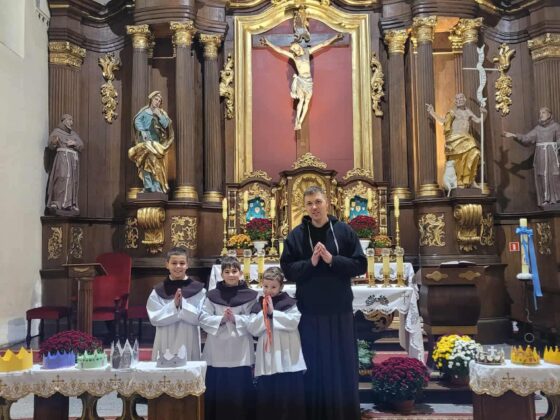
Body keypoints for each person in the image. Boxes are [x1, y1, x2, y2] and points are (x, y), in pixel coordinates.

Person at [280, 185, 366, 420]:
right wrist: (311, 262)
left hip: (339, 309)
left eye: (318, 202)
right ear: (304, 207)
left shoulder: (344, 231)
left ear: (327, 203)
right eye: (309, 203)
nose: (314, 207)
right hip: (310, 310)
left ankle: (343, 412)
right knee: (314, 362)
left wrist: (331, 259)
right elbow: (287, 270)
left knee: (340, 362)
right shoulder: (297, 235)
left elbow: (360, 265)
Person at [199, 256, 258, 420]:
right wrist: (221, 319)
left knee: (240, 390)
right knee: (218, 387)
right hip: (217, 350)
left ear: (240, 273)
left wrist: (236, 319)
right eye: (227, 271)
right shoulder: (212, 296)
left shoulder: (251, 296)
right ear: (221, 274)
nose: (231, 275)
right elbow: (203, 318)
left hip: (240, 349)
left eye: (234, 271)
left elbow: (255, 320)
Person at [247, 267, 306, 420]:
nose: (269, 290)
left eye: (273, 287)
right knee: (268, 399)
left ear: (281, 287)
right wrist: (264, 313)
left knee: (288, 396)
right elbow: (252, 328)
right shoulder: (258, 305)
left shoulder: (289, 303)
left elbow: (293, 322)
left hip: (287, 356)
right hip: (268, 358)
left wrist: (274, 313)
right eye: (266, 286)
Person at [260, 34, 343, 131]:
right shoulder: (294, 57)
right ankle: (297, 121)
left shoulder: (308, 52)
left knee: (307, 101)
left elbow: (323, 44)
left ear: (299, 45)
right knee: (301, 100)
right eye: (293, 49)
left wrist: (335, 37)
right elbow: (280, 50)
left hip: (308, 81)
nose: (295, 50)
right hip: (301, 80)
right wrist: (268, 43)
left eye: (295, 47)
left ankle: (300, 122)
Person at [146, 247, 205, 361]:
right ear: (167, 265)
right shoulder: (158, 291)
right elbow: (154, 318)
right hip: (165, 338)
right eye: (174, 263)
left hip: (188, 336)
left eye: (182, 263)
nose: (178, 266)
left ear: (187, 265)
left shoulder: (199, 290)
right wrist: (174, 306)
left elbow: (201, 318)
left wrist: (183, 305)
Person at [426, 93, 486, 188]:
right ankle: (459, 181)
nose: (459, 100)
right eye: (457, 99)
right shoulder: (452, 112)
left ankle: (470, 180)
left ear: (465, 99)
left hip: (467, 139)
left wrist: (484, 113)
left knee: (474, 153)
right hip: (455, 139)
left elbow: (479, 121)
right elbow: (443, 122)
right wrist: (432, 113)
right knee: (458, 160)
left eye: (461, 98)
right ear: (455, 101)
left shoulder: (468, 111)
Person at [503, 107, 560, 207]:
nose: (541, 115)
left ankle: (556, 198)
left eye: (543, 112)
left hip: (552, 155)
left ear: (549, 114)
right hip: (541, 155)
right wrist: (514, 135)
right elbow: (527, 138)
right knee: (542, 175)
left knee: (554, 175)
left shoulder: (556, 126)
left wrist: (556, 145)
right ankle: (545, 199)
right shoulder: (538, 129)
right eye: (540, 113)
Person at [128, 91, 174, 193]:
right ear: (151, 100)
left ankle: (157, 186)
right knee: (145, 163)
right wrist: (143, 131)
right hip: (145, 143)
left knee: (156, 164)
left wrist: (159, 115)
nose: (157, 102)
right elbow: (137, 121)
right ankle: (148, 186)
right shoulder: (144, 112)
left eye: (159, 101)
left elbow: (166, 125)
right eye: (156, 99)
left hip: (156, 144)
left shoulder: (161, 113)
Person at [45, 114, 84, 215]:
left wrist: (74, 143)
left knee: (72, 180)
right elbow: (50, 145)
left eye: (72, 120)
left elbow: (81, 145)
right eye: (69, 120)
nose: (71, 122)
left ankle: (70, 204)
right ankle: (57, 202)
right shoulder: (57, 132)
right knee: (61, 177)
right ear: (64, 120)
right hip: (62, 158)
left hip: (72, 161)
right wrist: (54, 141)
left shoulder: (73, 134)